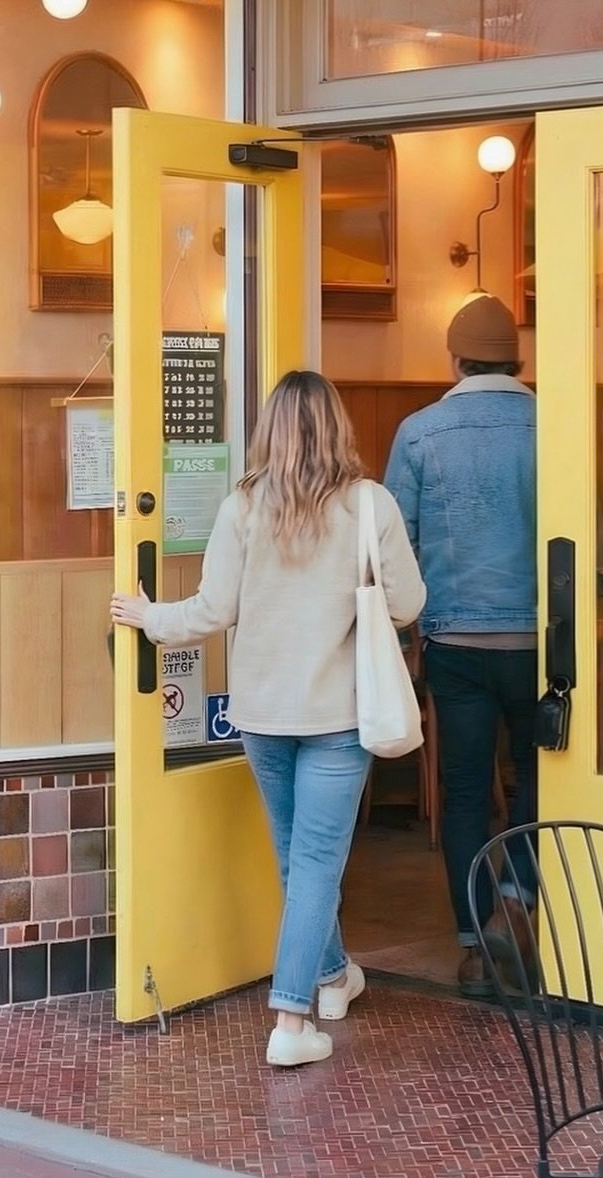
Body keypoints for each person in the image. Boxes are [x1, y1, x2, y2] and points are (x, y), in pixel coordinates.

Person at [112, 370, 424, 1068]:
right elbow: (407, 605)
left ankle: (334, 976)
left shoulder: (240, 510)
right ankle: (290, 1019)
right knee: (312, 863)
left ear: (271, 431)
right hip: (339, 719)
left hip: (260, 715)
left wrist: (149, 617)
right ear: (338, 426)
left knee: (298, 861)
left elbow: (212, 612)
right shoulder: (371, 506)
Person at [384, 294, 538, 1000]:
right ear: (519, 358)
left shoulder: (419, 432)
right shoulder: (549, 421)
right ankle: (520, 895)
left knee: (468, 790)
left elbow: (395, 548)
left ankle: (475, 944)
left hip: (453, 638)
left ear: (454, 359)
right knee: (540, 779)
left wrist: (410, 633)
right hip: (539, 638)